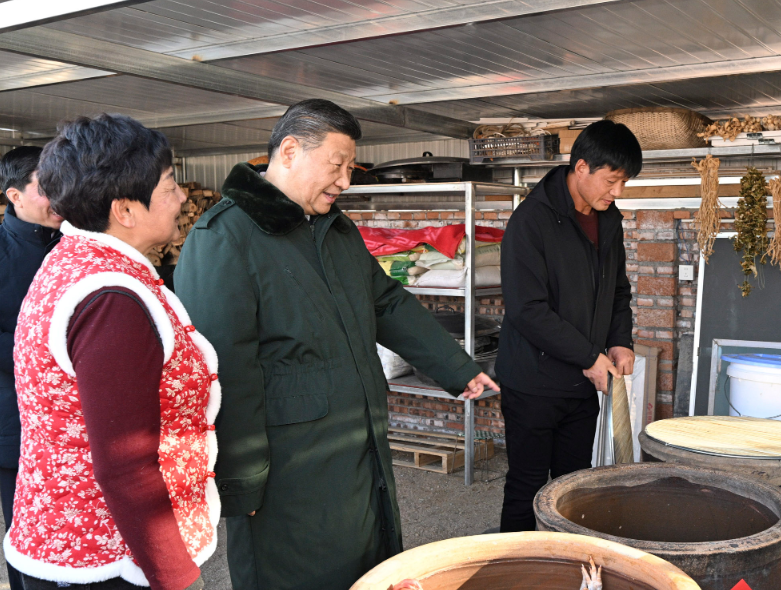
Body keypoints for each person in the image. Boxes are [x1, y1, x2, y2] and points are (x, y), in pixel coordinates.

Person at [174, 98, 499, 590]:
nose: (345, 181)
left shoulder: (335, 227)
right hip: (288, 467)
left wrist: (455, 366)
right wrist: (240, 481)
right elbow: (222, 370)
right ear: (289, 151)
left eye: (350, 167)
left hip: (357, 442)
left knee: (367, 570)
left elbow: (386, 302)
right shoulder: (224, 235)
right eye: (337, 165)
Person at [4, 114, 221, 590]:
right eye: (169, 186)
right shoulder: (109, 298)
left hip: (72, 533)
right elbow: (126, 461)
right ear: (125, 210)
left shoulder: (72, 262)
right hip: (107, 559)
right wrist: (173, 574)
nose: (183, 196)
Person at [495, 120, 640, 532]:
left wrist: (620, 342)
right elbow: (527, 310)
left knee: (572, 485)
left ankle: (564, 567)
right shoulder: (531, 221)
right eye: (611, 181)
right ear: (581, 168)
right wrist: (589, 356)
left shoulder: (608, 220)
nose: (617, 192)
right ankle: (516, 571)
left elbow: (618, 291)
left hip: (582, 383)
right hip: (533, 383)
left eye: (623, 182)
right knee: (526, 486)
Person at [0, 146, 63, 590]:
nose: (58, 197)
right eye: (45, 188)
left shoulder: (76, 246)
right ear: (14, 195)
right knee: (28, 541)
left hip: (76, 427)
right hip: (15, 428)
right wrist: (53, 354)